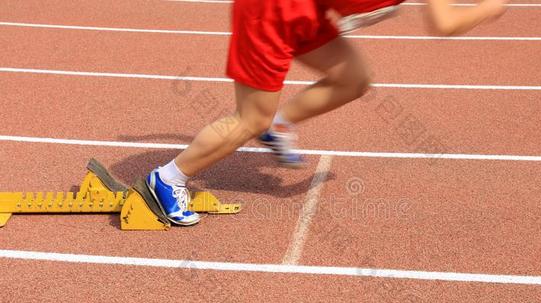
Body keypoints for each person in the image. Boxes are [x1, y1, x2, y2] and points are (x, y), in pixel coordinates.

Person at [146, 0, 507, 225]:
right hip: (270, 11)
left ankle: (279, 121)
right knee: (249, 118)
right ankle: (167, 179)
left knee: (353, 78)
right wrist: (487, 9)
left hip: (309, 11)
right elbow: (444, 24)